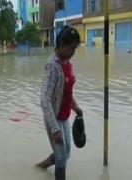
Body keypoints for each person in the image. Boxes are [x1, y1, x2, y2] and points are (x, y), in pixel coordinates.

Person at [37, 26, 83, 180]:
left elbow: (66, 91)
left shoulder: (67, 63)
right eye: (71, 48)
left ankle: (41, 167)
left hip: (64, 116)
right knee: (62, 157)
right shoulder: (52, 66)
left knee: (66, 152)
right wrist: (55, 129)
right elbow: (44, 99)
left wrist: (75, 107)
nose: (73, 52)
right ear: (61, 45)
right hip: (54, 118)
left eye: (75, 48)